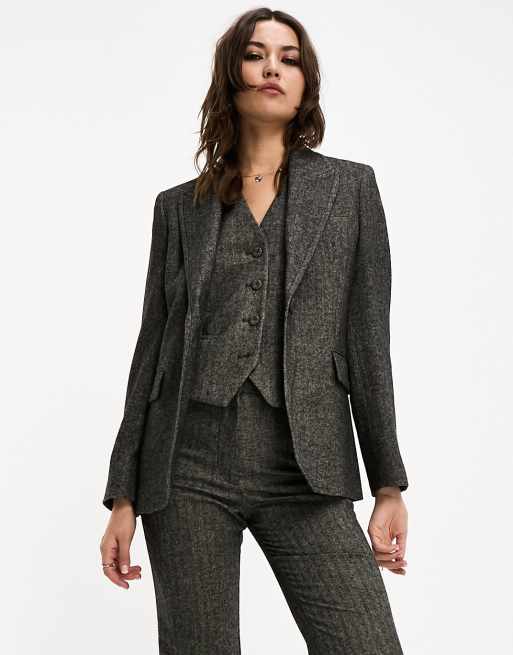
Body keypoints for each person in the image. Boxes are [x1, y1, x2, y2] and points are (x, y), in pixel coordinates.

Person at [100, 8, 409, 654]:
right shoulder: (177, 208)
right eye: (255, 54)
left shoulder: (350, 189)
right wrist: (122, 493)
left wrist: (388, 484)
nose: (272, 67)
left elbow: (367, 343)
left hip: (305, 463)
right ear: (230, 74)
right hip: (186, 465)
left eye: (289, 58)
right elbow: (151, 351)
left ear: (305, 82)